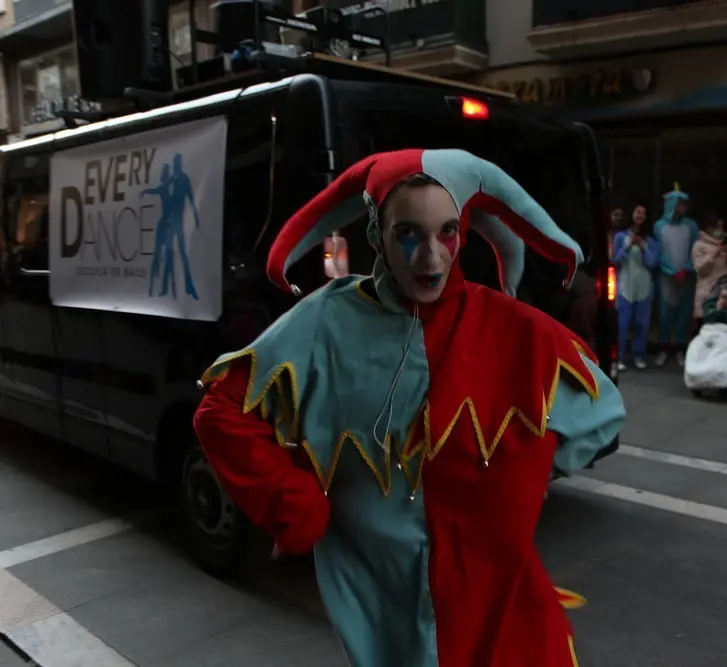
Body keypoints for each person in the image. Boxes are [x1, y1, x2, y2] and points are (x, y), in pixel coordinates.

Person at [192, 149, 627, 667]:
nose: (430, 258)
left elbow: (601, 417)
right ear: (377, 234)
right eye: (408, 234)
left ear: (463, 233)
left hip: (496, 603)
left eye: (446, 233)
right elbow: (220, 411)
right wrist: (295, 507)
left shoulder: (517, 330)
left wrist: (517, 479)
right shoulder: (328, 319)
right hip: (383, 598)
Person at [653, 185, 699, 367]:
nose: (683, 208)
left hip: (686, 276)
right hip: (666, 276)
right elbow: (658, 252)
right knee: (665, 313)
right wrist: (670, 271)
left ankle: (680, 348)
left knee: (683, 313)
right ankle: (663, 348)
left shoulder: (691, 226)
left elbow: (695, 250)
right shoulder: (659, 226)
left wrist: (686, 269)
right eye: (679, 204)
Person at [613, 204, 659, 370]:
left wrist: (643, 247)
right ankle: (619, 358)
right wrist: (627, 246)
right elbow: (615, 261)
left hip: (644, 286)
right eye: (637, 211)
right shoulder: (620, 236)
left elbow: (653, 263)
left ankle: (638, 355)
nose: (640, 215)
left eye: (643, 213)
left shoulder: (650, 240)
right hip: (625, 284)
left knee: (641, 323)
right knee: (623, 323)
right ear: (632, 214)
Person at [692, 213, 727, 328]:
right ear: (709, 228)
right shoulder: (699, 245)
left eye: (722, 227)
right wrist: (713, 255)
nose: (720, 230)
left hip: (725, 287)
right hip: (707, 290)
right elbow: (700, 271)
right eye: (717, 227)